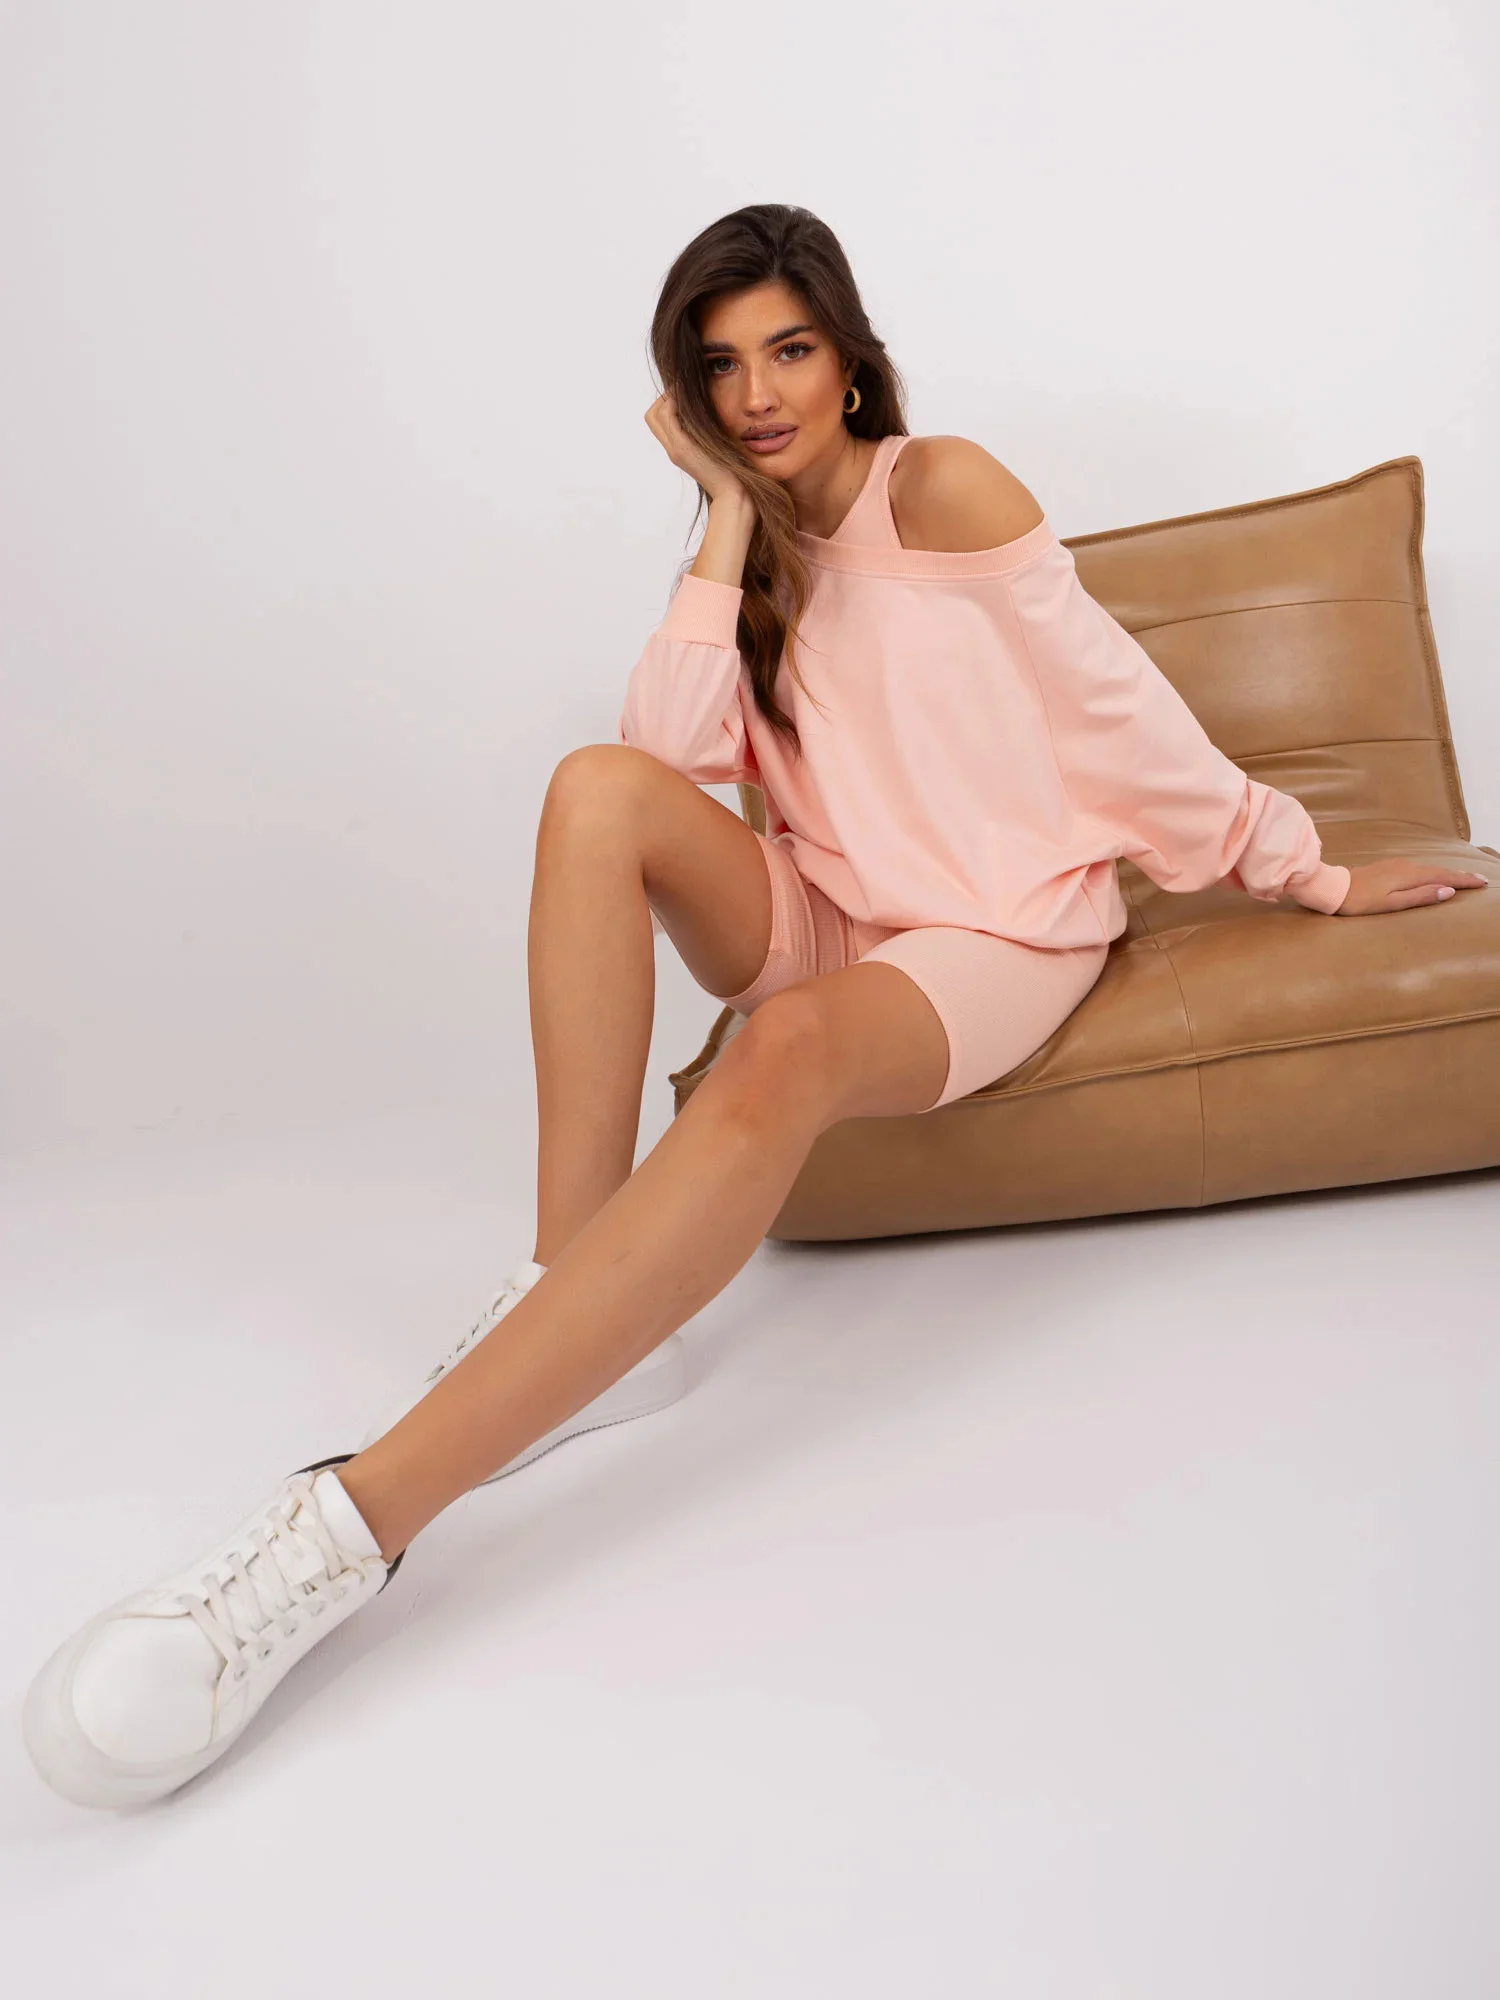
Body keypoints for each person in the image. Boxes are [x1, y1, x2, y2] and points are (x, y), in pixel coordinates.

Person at [23, 204, 1488, 1812]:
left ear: (850, 357)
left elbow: (1112, 705)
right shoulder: (759, 532)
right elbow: (665, 758)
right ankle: (573, 1295)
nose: (758, 393)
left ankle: (345, 1531)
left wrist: (1303, 869)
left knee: (786, 1046)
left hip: (991, 928)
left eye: (788, 351)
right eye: (721, 368)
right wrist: (726, 517)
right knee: (592, 790)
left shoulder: (942, 487)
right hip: (827, 902)